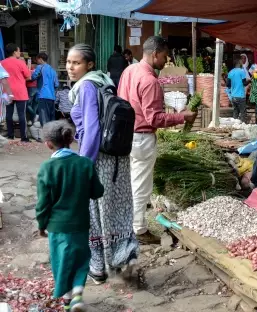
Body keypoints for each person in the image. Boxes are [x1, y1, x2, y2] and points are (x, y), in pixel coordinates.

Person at [68, 43, 139, 284]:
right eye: (68, 62)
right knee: (116, 211)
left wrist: (83, 166)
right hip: (116, 158)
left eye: (76, 62)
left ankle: (98, 267)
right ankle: (124, 259)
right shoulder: (104, 81)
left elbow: (91, 129)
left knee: (93, 213)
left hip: (98, 159)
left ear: (89, 65)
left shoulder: (87, 86)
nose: (70, 67)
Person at [118, 36, 197, 244]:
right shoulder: (150, 80)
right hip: (142, 138)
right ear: (155, 54)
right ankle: (138, 230)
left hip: (125, 135)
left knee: (130, 182)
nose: (165, 60)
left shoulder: (129, 71)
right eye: (164, 56)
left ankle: (125, 223)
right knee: (141, 187)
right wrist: (183, 117)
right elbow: (154, 118)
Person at [35, 120, 104, 312]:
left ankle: (67, 302)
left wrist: (41, 224)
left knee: (61, 261)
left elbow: (43, 203)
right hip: (81, 224)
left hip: (57, 227)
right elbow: (97, 192)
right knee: (82, 259)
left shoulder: (47, 168)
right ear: (72, 139)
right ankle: (77, 296)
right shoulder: (84, 164)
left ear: (48, 144)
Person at [1, 43, 31, 142]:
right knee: (22, 114)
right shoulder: (20, 62)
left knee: (8, 115)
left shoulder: (1, 63)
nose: (19, 53)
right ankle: (24, 137)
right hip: (20, 91)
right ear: (14, 52)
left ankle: (10, 135)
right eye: (18, 51)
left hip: (7, 91)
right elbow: (28, 77)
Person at [32, 52, 59, 126]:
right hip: (52, 97)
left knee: (44, 119)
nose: (37, 62)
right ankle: (52, 135)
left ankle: (45, 136)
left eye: (37, 60)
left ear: (40, 59)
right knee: (51, 118)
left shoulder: (40, 67)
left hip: (43, 95)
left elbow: (33, 77)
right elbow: (56, 84)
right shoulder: (53, 70)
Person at [226, 58, 249, 122]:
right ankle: (243, 125)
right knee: (243, 112)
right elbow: (244, 83)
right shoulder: (242, 71)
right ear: (239, 64)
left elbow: (227, 84)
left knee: (236, 111)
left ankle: (235, 125)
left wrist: (234, 84)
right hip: (240, 95)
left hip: (233, 96)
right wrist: (249, 81)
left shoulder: (231, 72)